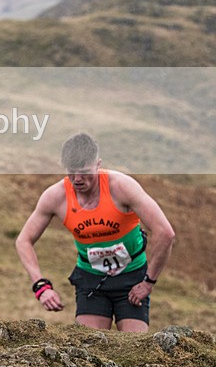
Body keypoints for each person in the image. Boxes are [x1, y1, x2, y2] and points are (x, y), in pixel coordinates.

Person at [15, 132, 175, 332]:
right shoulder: (55, 196)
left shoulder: (122, 187)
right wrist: (40, 286)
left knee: (134, 345)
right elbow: (23, 240)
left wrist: (148, 282)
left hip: (132, 277)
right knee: (89, 344)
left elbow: (165, 233)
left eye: (84, 172)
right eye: (71, 172)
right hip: (91, 279)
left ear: (98, 165)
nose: (77, 179)